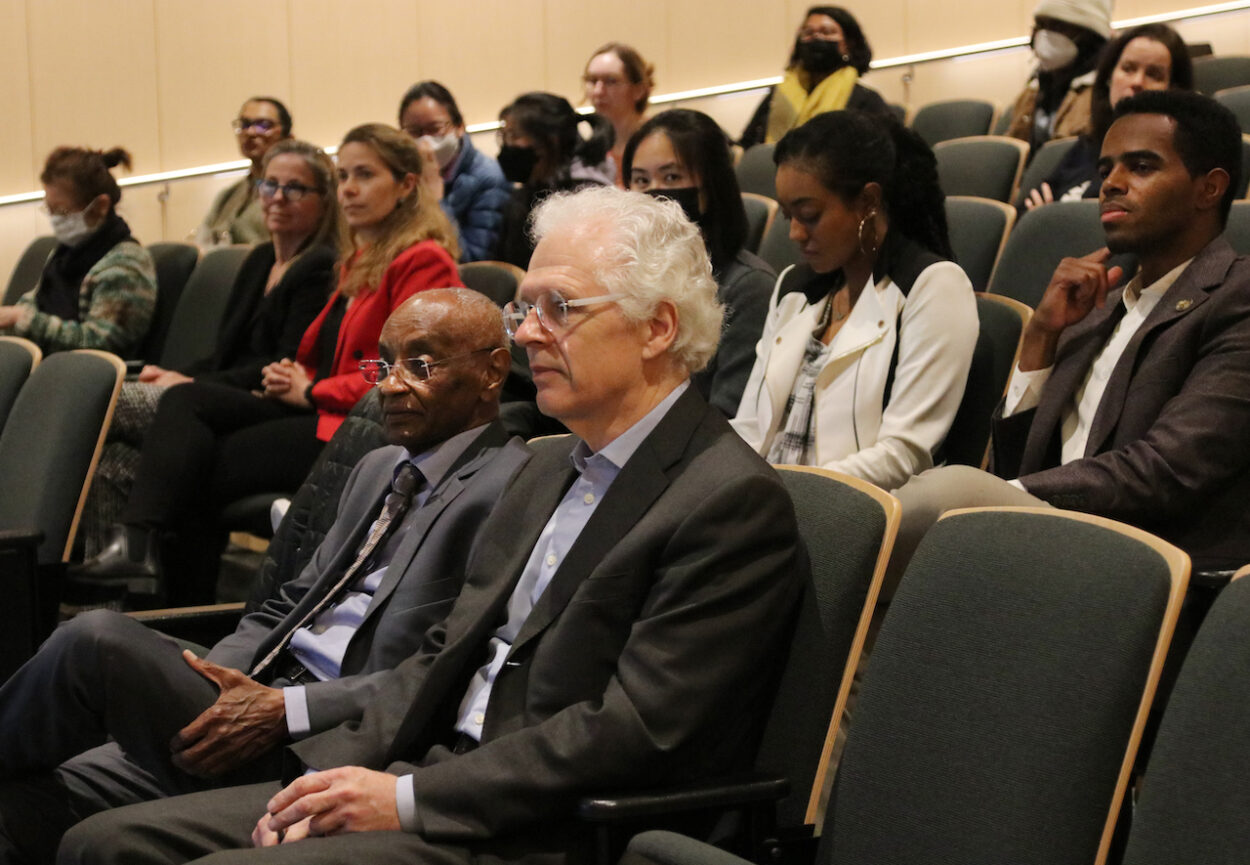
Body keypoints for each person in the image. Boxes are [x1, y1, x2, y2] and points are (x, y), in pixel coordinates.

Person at [59, 186, 806, 865]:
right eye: (525, 309)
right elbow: (442, 654)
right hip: (422, 773)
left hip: (537, 827)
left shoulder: (726, 499)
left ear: (657, 328)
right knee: (104, 842)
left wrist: (403, 800)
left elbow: (632, 732)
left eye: (559, 309)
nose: (528, 336)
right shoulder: (550, 465)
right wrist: (329, 776)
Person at [0, 290, 531, 865]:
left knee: (94, 640)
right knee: (18, 804)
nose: (390, 386)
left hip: (326, 735)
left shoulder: (512, 484)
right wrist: (220, 679)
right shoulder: (379, 465)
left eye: (420, 366)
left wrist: (286, 707)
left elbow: (442, 672)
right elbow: (292, 602)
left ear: (491, 372)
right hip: (257, 692)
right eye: (383, 364)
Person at [75, 123, 463, 604]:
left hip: (362, 428)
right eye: (343, 175)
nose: (349, 189)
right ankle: (150, 595)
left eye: (365, 175)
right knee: (182, 416)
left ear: (406, 185)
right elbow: (319, 353)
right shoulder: (360, 260)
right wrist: (295, 379)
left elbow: (405, 370)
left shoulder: (422, 261)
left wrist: (313, 389)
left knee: (191, 459)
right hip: (318, 411)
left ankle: (166, 600)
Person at [893, 90, 1250, 579]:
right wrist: (1040, 336)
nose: (1112, 185)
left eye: (1141, 167)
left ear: (1209, 189)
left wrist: (1011, 498)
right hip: (1053, 545)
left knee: (942, 494)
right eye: (1105, 170)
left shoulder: (1237, 296)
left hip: (1150, 564)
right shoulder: (1097, 308)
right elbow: (1013, 462)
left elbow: (1169, 469)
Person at [80, 139, 342, 559]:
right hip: (220, 394)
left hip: (271, 401)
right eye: (268, 184)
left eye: (295, 188)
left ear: (323, 200)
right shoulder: (258, 260)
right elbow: (224, 354)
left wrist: (187, 381)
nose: (277, 197)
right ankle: (120, 594)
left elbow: (283, 363)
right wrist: (170, 372)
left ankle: (130, 548)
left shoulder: (320, 267)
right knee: (114, 460)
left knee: (104, 404)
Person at [731, 110, 978, 491]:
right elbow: (750, 427)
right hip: (770, 501)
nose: (795, 233)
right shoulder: (793, 288)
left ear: (867, 202)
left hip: (855, 517)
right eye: (787, 216)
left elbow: (904, 455)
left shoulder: (933, 286)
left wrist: (782, 494)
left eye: (809, 214)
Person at [624, 108, 773, 416]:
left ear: (710, 186)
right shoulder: (621, 280)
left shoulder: (748, 288)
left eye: (671, 177)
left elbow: (728, 416)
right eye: (640, 179)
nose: (654, 192)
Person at [0, 147, 156, 358]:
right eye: (50, 210)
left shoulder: (126, 263)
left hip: (97, 383)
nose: (55, 219)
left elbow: (101, 345)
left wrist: (23, 320)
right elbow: (35, 303)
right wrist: (13, 317)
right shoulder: (66, 252)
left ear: (100, 206)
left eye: (62, 211)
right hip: (49, 369)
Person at [1023, 22, 1192, 210]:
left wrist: (1055, 220)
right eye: (1128, 69)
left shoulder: (1177, 160)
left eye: (1154, 74)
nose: (1137, 82)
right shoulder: (1088, 146)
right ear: (1109, 79)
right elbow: (1030, 211)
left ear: (1175, 89)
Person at [740, 6, 888, 149]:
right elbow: (746, 144)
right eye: (808, 33)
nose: (817, 37)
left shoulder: (866, 100)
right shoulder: (778, 94)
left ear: (848, 44)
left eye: (827, 32)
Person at [493, 91, 612, 268]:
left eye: (514, 136)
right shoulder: (522, 197)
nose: (508, 145)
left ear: (550, 141)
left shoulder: (587, 196)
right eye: (505, 136)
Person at [398, 81, 511, 262]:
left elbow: (474, 262)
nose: (425, 141)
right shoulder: (402, 176)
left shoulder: (488, 178)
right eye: (414, 132)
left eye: (435, 129)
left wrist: (435, 199)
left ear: (459, 127)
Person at [1004, 0, 1113, 154]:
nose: (1045, 35)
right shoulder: (1034, 87)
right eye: (1041, 25)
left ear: (1088, 35)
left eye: (1058, 26)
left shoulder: (1105, 91)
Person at [196, 97, 293, 247]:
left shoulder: (293, 193)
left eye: (264, 125)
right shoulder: (228, 196)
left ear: (288, 138)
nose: (251, 132)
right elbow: (201, 244)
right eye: (245, 125)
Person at [583, 41, 654, 187]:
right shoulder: (589, 150)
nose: (598, 91)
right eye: (592, 81)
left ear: (638, 90)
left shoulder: (659, 141)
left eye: (611, 81)